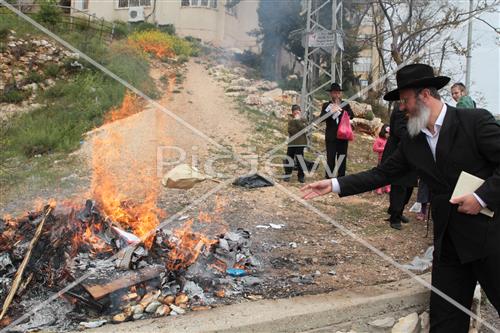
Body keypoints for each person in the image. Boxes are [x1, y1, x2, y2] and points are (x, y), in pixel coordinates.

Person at [301, 63, 500, 333]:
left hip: (490, 239)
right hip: (449, 244)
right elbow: (382, 174)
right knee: (446, 321)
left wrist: (481, 197)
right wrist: (335, 184)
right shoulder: (412, 141)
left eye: (405, 100)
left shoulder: (474, 122)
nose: (402, 108)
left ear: (425, 95)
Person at [382, 103, 418, 230]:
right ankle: (395, 217)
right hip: (398, 152)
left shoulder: (417, 108)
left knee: (409, 186)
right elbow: (399, 130)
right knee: (400, 185)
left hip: (411, 153)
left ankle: (398, 211)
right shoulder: (401, 108)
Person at [320, 83, 354, 178]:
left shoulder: (345, 104)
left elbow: (351, 115)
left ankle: (341, 177)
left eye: (338, 93)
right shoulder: (326, 105)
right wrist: (331, 111)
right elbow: (322, 118)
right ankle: (329, 177)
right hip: (331, 136)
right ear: (331, 94)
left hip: (343, 136)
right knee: (330, 157)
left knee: (342, 157)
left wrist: (341, 110)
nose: (337, 95)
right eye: (334, 93)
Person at [283, 104, 307, 183]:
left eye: (298, 111)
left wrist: (297, 121)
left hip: (301, 143)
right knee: (289, 158)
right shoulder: (290, 120)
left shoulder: (304, 119)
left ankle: (301, 176)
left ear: (300, 112)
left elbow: (304, 130)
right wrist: (297, 123)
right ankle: (287, 174)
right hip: (292, 143)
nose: (297, 113)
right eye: (295, 111)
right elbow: (291, 131)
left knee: (300, 159)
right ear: (292, 113)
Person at [372, 124, 391, 194]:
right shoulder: (379, 140)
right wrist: (384, 149)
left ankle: (387, 187)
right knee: (380, 174)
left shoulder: (390, 141)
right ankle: (378, 188)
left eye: (389, 134)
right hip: (381, 160)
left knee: (389, 173)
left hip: (389, 159)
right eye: (387, 133)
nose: (388, 135)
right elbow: (375, 148)